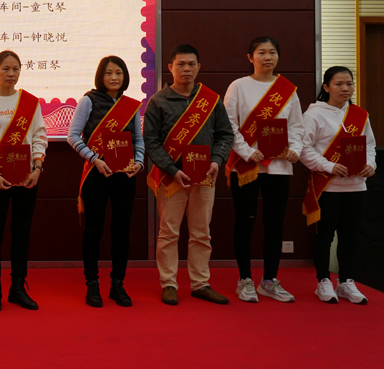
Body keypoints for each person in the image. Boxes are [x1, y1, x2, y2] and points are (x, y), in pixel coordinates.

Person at [144, 44, 233, 306]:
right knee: (168, 233)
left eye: (191, 64)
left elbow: (225, 135)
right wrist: (172, 170)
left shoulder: (211, 100)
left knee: (202, 233)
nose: (186, 69)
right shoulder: (158, 101)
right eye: (181, 64)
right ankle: (169, 283)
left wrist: (217, 161)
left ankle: (200, 283)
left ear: (199, 67)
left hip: (204, 177)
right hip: (171, 179)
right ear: (170, 67)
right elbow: (151, 141)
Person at [223, 37, 303, 303]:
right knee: (245, 222)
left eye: (272, 52)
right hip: (246, 165)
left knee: (274, 224)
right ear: (250, 58)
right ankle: (244, 279)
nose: (268, 57)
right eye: (261, 52)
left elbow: (297, 126)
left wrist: (295, 149)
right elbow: (228, 125)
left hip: (278, 167)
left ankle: (269, 280)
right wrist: (247, 151)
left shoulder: (287, 90)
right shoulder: (238, 86)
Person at [0, 50, 47, 312]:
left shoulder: (30, 103)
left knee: (21, 234)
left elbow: (39, 136)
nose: (11, 73)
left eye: (15, 68)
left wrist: (37, 168)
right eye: (5, 68)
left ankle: (17, 287)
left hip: (26, 178)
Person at [67, 55, 144, 308]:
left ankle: (117, 283)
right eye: (109, 73)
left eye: (119, 73)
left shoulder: (130, 105)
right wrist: (94, 159)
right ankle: (92, 283)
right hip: (96, 174)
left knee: (121, 231)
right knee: (94, 230)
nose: (114, 77)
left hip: (124, 175)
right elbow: (72, 136)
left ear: (125, 76)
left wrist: (139, 162)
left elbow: (138, 140)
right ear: (101, 76)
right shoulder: (88, 101)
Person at [300, 66, 376, 304]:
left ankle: (346, 282)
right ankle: (323, 281)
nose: (345, 88)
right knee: (325, 236)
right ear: (326, 87)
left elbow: (370, 145)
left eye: (349, 84)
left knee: (350, 236)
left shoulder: (359, 115)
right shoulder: (314, 115)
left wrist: (371, 164)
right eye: (339, 84)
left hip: (356, 186)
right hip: (328, 186)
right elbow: (303, 149)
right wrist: (328, 166)